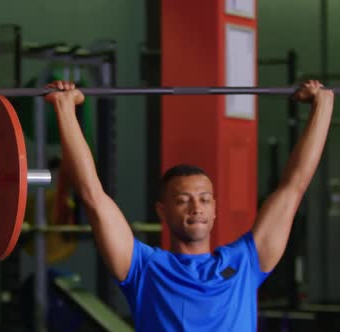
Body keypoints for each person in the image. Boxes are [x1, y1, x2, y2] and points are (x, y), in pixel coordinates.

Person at [44, 79, 334, 331]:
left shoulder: (245, 263)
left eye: (205, 199)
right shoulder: (143, 268)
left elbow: (294, 187)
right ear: (162, 211)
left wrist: (323, 105)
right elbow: (93, 196)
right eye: (183, 200)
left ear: (215, 209)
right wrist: (65, 109)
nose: (197, 207)